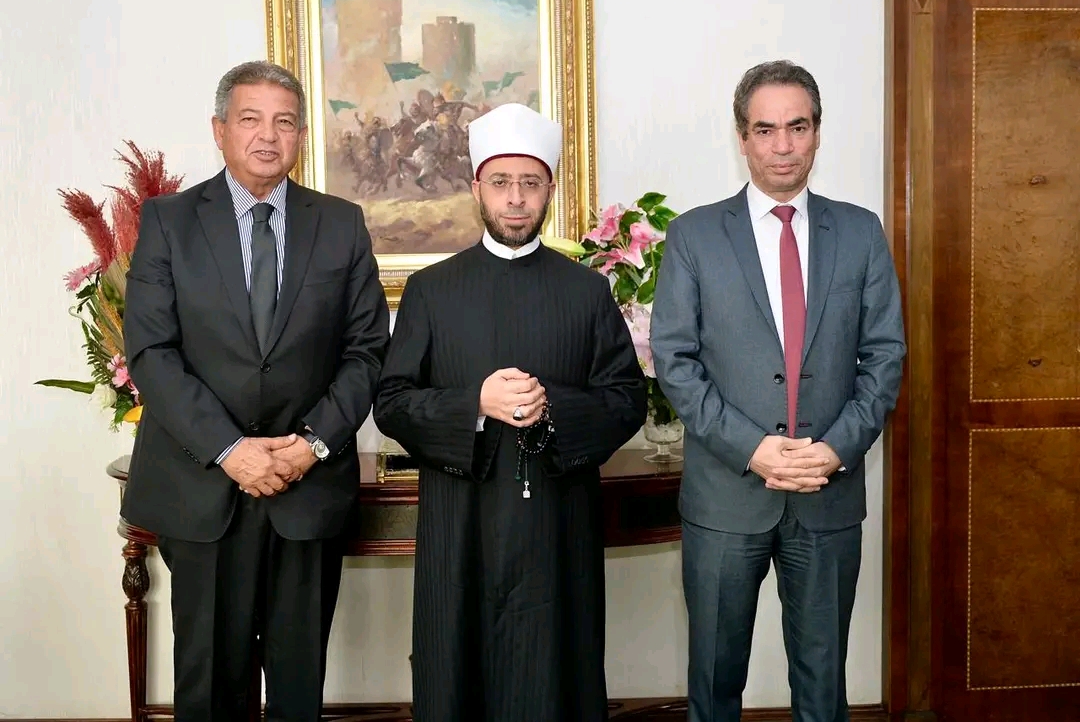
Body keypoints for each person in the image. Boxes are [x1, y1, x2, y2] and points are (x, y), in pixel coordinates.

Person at [121, 60, 391, 722]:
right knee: (211, 685)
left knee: (298, 689)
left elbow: (366, 352)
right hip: (202, 488)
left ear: (301, 135)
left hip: (307, 488)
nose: (267, 135)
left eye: (283, 122)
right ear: (219, 130)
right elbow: (152, 353)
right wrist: (229, 449)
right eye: (250, 119)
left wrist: (311, 445)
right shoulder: (169, 221)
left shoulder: (341, 224)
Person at [373, 102, 648, 722]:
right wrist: (475, 404)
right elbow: (392, 402)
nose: (516, 199)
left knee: (556, 676)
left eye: (530, 183)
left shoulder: (587, 291)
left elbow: (626, 398)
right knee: (457, 672)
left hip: (558, 524)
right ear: (477, 188)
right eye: (501, 183)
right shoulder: (431, 290)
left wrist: (552, 407)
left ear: (550, 188)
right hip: (460, 524)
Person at [650, 60, 906, 722]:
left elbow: (884, 357)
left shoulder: (860, 232)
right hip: (726, 498)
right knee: (714, 683)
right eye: (765, 129)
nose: (783, 145)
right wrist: (753, 448)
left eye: (798, 126)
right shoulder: (694, 236)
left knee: (823, 689)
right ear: (742, 137)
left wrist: (837, 449)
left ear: (818, 131)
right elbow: (675, 361)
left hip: (827, 493)